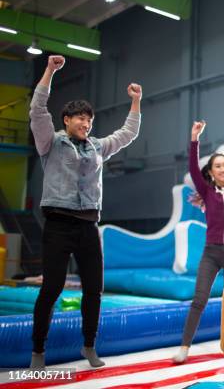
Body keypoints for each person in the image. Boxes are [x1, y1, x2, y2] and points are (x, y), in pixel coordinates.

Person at [29, 55, 142, 369]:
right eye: (80, 118)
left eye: (89, 120)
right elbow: (37, 110)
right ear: (67, 120)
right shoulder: (50, 143)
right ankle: (38, 350)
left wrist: (136, 101)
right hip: (57, 224)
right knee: (51, 289)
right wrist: (50, 70)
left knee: (94, 289)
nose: (86, 123)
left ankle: (89, 346)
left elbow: (128, 133)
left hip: (88, 225)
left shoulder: (97, 147)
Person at [173, 121, 224, 363]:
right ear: (211, 172)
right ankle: (184, 348)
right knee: (199, 300)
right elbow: (192, 164)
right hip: (211, 254)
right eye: (217, 166)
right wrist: (194, 139)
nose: (221, 169)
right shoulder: (207, 192)